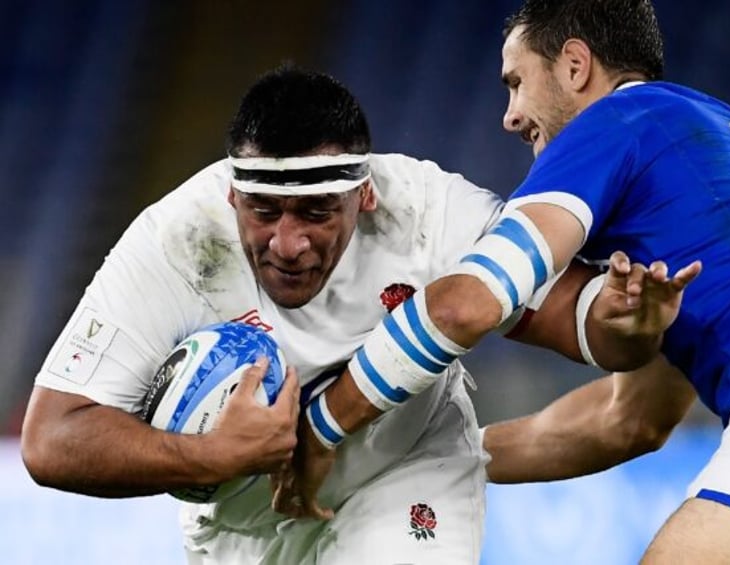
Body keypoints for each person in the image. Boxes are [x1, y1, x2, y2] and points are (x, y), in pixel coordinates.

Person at [19, 65, 691, 564]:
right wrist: (208, 454)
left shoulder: (428, 211)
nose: (286, 243)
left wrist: (621, 321)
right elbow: (52, 440)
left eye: (315, 212)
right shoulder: (174, 243)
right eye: (262, 212)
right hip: (241, 518)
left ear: (365, 194)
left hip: (406, 471)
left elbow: (575, 319)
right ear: (231, 195)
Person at [293, 1, 730, 563]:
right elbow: (628, 421)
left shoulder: (613, 123)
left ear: (576, 66)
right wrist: (426, 463)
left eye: (517, 82)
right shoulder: (698, 148)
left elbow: (467, 305)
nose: (510, 116)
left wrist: (323, 431)